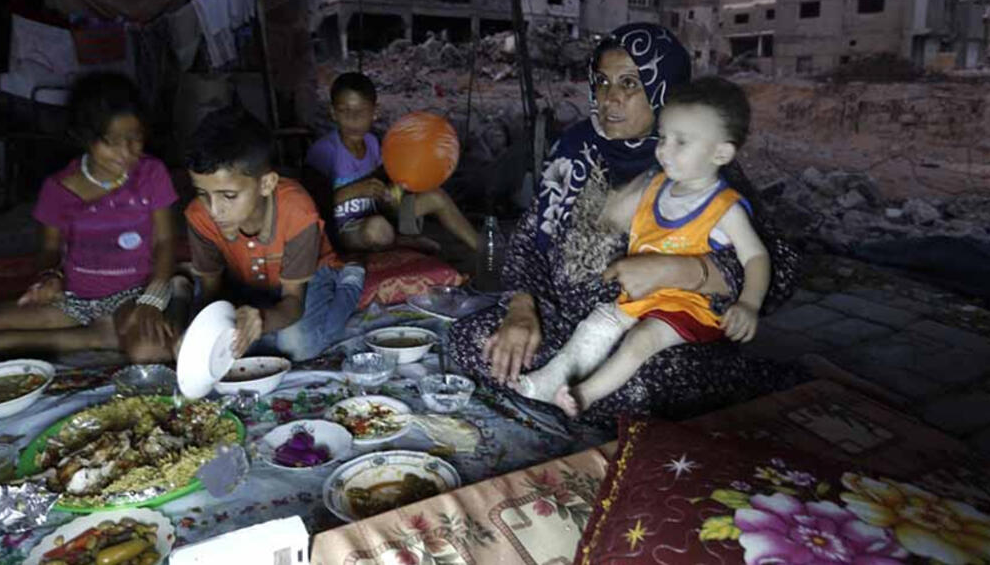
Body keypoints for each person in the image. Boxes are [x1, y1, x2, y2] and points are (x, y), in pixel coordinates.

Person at [446, 23, 805, 427]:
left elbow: (780, 268)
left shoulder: (697, 164)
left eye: (630, 83)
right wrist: (521, 308)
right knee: (473, 341)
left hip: (659, 335)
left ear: (664, 90)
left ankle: (734, 380)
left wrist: (682, 270)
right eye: (602, 81)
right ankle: (564, 388)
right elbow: (530, 240)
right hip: (576, 328)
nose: (610, 97)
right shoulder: (575, 148)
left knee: (639, 386)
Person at [515, 77, 770, 417]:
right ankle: (551, 380)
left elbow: (756, 257)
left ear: (720, 153)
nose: (664, 150)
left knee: (641, 340)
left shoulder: (725, 208)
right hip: (642, 298)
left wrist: (749, 303)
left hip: (687, 306)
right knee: (595, 324)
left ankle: (584, 395)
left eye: (681, 142)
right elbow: (609, 218)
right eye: (663, 138)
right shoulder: (655, 186)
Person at [0, 73, 184, 362]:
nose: (126, 152)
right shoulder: (57, 189)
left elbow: (165, 241)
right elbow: (50, 248)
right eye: (111, 142)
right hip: (72, 300)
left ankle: (100, 335)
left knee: (148, 351)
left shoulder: (151, 174)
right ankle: (96, 337)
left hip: (132, 296)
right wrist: (49, 277)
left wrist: (152, 300)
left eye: (135, 138)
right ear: (85, 138)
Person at [185, 108, 365, 361]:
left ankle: (350, 281)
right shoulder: (198, 215)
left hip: (305, 277)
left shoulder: (297, 212)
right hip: (245, 282)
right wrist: (199, 337)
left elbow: (293, 302)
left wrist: (262, 320)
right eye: (203, 194)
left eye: (229, 196)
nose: (214, 210)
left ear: (266, 184)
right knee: (226, 346)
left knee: (297, 347)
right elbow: (211, 294)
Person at [304, 72, 479, 255]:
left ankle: (484, 248)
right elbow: (310, 204)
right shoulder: (323, 152)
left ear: (375, 112)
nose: (353, 119)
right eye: (344, 111)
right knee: (377, 229)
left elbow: (386, 181)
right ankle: (402, 241)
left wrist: (393, 191)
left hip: (379, 214)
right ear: (333, 112)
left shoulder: (373, 143)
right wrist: (354, 191)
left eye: (362, 111)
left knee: (436, 197)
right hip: (344, 229)